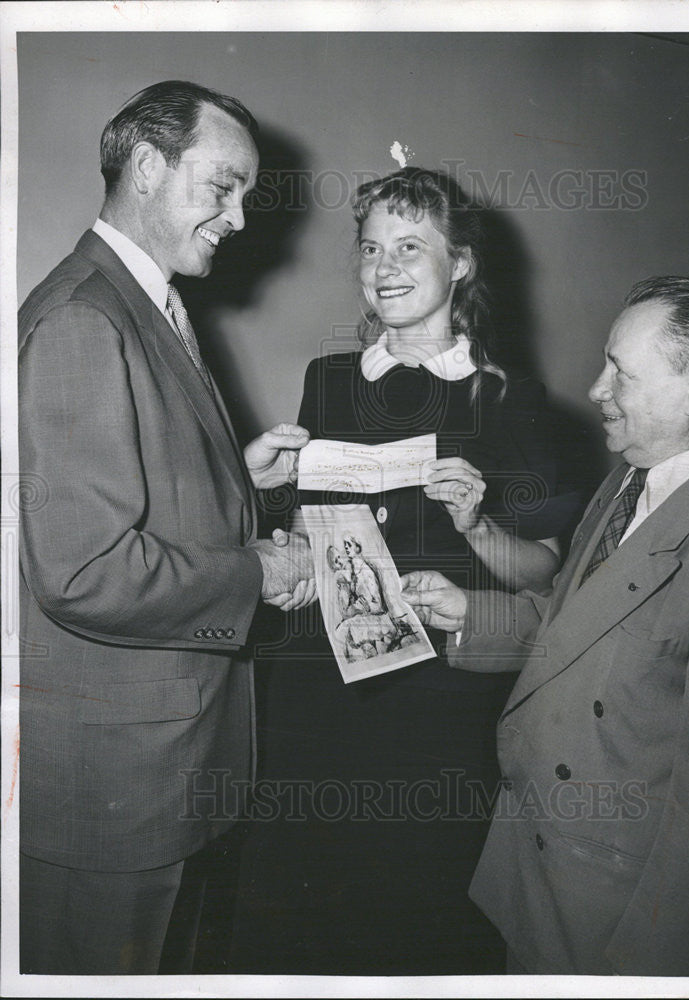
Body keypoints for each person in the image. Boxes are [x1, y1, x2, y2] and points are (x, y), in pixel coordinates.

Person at [241, 168, 582, 974]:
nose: (382, 266)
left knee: (409, 910)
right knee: (299, 905)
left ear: (459, 263)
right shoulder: (328, 380)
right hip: (314, 683)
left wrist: (477, 524)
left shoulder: (510, 398)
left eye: (408, 247)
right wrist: (271, 512)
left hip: (435, 702)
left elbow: (544, 572)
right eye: (368, 248)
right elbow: (304, 528)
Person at [17, 80, 314, 975]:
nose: (236, 218)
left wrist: (239, 484)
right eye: (221, 186)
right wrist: (260, 570)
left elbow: (139, 498)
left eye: (246, 196)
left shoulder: (139, 304)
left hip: (160, 767)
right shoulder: (82, 319)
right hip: (117, 789)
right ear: (146, 167)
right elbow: (86, 572)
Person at [402, 275, 689, 976]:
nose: (596, 387)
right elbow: (578, 629)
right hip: (538, 867)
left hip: (609, 920)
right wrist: (467, 615)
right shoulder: (630, 476)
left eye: (621, 374)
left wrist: (642, 974)